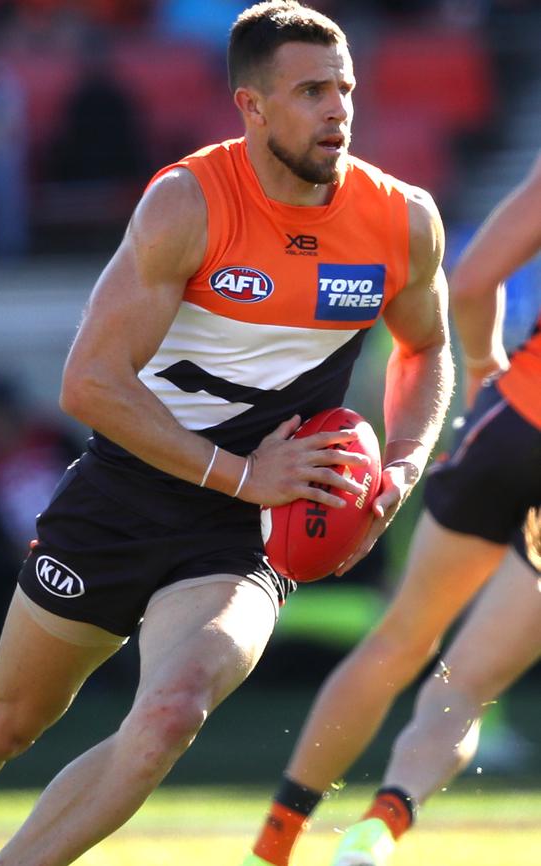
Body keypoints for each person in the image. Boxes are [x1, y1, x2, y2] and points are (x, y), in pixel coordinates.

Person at [0, 4, 453, 865]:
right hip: (132, 488)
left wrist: (400, 471)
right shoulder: (187, 202)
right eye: (310, 91)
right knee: (2, 723)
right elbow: (90, 382)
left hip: (250, 527)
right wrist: (241, 473)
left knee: (167, 716)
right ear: (251, 106)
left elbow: (427, 349)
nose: (338, 108)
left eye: (344, 88)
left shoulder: (400, 219)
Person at [241, 151, 541, 866]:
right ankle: (379, 828)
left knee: (399, 638)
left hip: (516, 419)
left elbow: (469, 284)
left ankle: (275, 844)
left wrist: (484, 378)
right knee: (465, 684)